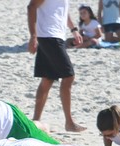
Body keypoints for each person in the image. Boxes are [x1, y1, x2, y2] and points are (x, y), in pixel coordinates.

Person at [27, 0, 86, 133]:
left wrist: (74, 30)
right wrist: (33, 36)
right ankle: (69, 122)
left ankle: (36, 121)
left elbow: (63, 11)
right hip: (49, 36)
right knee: (69, 76)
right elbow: (31, 6)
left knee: (47, 79)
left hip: (56, 35)